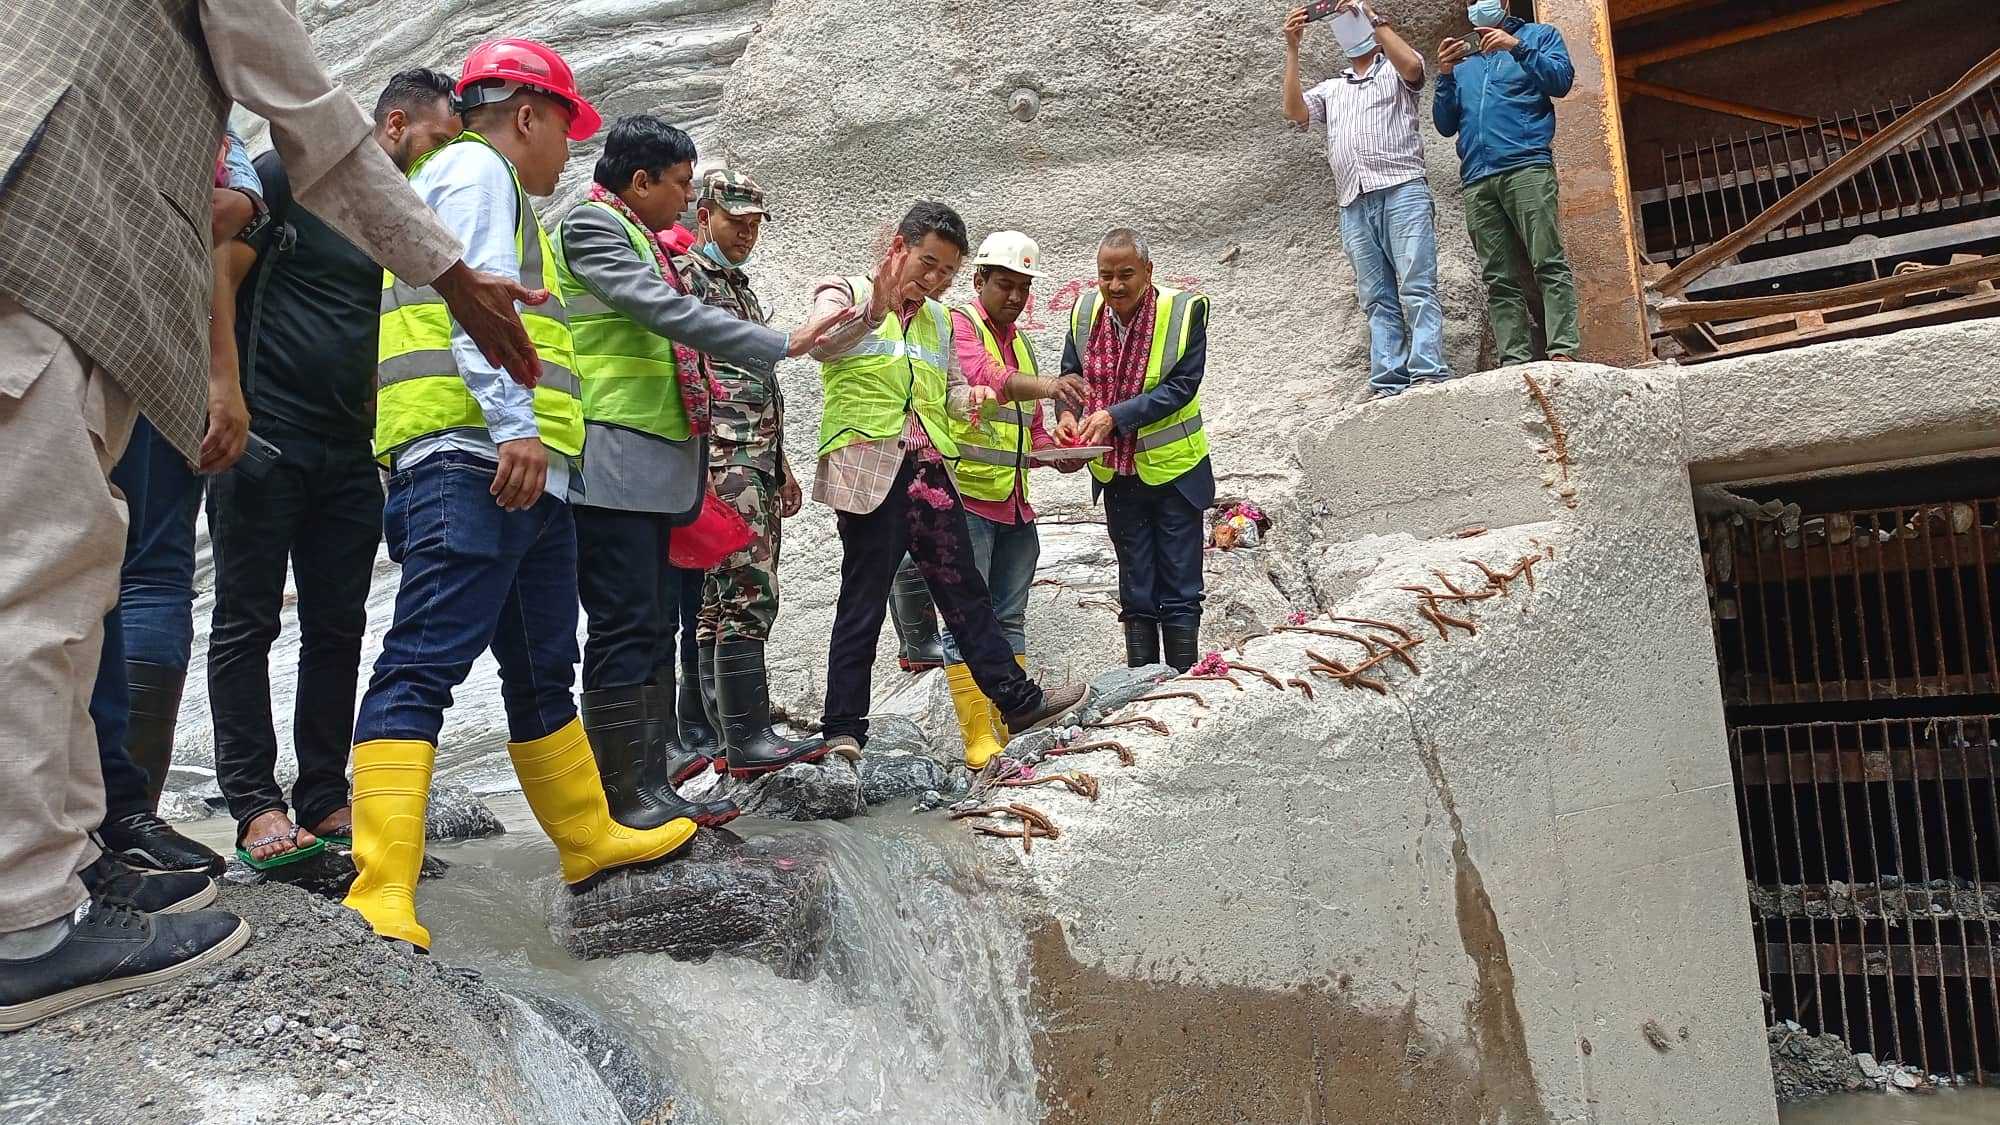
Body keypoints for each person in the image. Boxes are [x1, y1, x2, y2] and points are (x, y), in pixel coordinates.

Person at [0, 0, 542, 1031]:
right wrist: (451, 274)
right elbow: (306, 110)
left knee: (69, 579)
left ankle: (67, 868)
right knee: (42, 582)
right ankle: (27, 923)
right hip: (53, 251)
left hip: (82, 281)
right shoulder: (300, 181)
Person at [342, 42, 697, 952]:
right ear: (529, 115)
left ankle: (584, 836)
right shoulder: (475, 169)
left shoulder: (481, 180)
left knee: (542, 664)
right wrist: (513, 426)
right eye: (565, 136)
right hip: (476, 458)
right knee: (423, 660)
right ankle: (381, 884)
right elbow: (477, 308)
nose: (566, 159)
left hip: (523, 471)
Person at [207, 69, 463, 872]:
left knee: (339, 626)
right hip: (266, 437)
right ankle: (253, 802)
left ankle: (322, 791)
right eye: (434, 141)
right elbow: (218, 272)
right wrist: (227, 396)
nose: (438, 159)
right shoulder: (289, 178)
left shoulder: (404, 222)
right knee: (248, 622)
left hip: (354, 449)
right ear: (393, 125)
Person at [556, 120, 842, 814]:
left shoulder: (645, 239)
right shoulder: (592, 227)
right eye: (683, 186)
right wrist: (783, 341)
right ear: (641, 179)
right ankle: (625, 793)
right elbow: (665, 313)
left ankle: (653, 783)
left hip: (655, 466)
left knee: (654, 623)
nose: (687, 202)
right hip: (614, 458)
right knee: (629, 623)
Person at [808, 202, 1087, 758]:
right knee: (863, 599)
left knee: (966, 595)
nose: (935, 280)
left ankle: (1018, 702)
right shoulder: (844, 291)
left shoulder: (938, 320)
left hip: (930, 472)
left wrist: (973, 399)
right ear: (898, 248)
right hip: (870, 469)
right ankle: (843, 728)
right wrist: (875, 306)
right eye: (927, 264)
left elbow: (951, 392)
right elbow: (819, 343)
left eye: (947, 273)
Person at [88, 130, 263, 879]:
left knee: (98, 569)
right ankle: (124, 815)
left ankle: (109, 813)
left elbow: (240, 207)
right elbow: (231, 211)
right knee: (141, 573)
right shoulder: (202, 122)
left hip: (92, 345)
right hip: (145, 350)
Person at [671, 170, 830, 777]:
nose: (745, 232)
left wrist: (780, 464)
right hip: (725, 459)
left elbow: (753, 383)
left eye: (754, 222)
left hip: (751, 457)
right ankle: (748, 740)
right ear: (704, 212)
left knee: (720, 601)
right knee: (746, 594)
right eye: (735, 219)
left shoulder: (736, 286)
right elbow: (695, 375)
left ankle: (722, 735)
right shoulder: (690, 279)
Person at [936, 231, 1088, 768]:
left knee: (1010, 616)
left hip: (1016, 502)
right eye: (1006, 285)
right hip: (970, 500)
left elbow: (1034, 431)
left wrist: (1064, 452)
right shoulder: (959, 326)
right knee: (967, 619)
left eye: (1024, 288)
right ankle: (979, 740)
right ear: (979, 280)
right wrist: (1050, 386)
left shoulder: (1021, 342)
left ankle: (1009, 718)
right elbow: (984, 379)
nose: (1017, 297)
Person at [1055, 230, 1214, 672]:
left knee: (1180, 585)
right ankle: (1142, 682)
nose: (1115, 285)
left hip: (1176, 472)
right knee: (1136, 584)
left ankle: (1182, 681)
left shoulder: (1184, 312)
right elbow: (1070, 377)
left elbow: (1181, 388)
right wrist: (1067, 415)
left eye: (1126, 274)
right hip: (1115, 472)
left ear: (1148, 271)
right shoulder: (1085, 311)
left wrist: (1113, 416)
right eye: (1106, 275)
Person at [1282, 1, 1451, 398]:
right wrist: (1292, 48)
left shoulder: (1393, 69)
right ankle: (1388, 378)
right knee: (1376, 296)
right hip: (1354, 201)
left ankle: (1427, 370)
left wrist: (1371, 17)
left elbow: (1414, 68)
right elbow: (1294, 112)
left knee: (1417, 285)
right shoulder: (1333, 87)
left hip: (1402, 188)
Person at [1436, 1, 1580, 365]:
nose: (1476, 5)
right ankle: (1514, 359)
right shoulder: (1465, 59)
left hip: (1526, 165)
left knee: (1547, 260)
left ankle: (1562, 349)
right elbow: (1445, 124)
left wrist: (1516, 47)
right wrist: (1445, 75)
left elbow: (1561, 81)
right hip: (1477, 179)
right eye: (1469, 1)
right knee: (1498, 276)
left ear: (1502, 2)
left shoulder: (1538, 35)